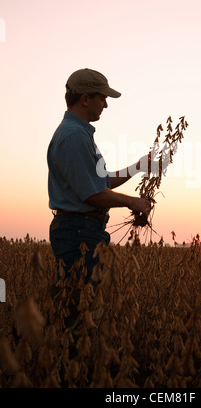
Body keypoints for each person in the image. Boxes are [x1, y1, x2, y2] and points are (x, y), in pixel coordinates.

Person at [47, 68, 152, 284]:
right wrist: (133, 202)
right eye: (103, 98)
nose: (106, 104)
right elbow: (93, 194)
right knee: (79, 306)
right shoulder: (74, 137)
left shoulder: (78, 133)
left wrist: (138, 167)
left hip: (81, 230)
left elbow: (100, 182)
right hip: (78, 233)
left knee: (80, 303)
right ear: (85, 99)